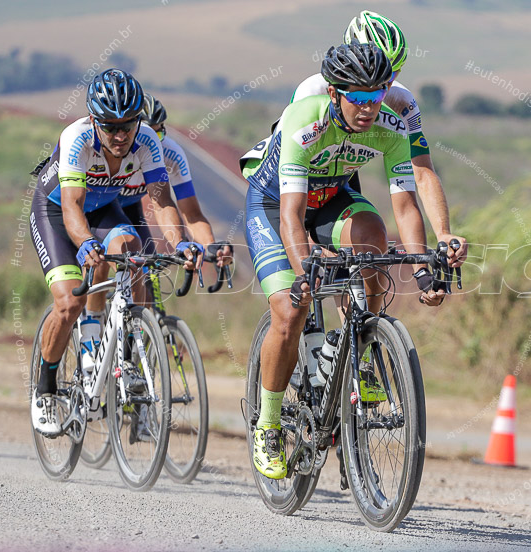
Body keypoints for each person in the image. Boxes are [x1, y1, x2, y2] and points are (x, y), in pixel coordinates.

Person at [245, 41, 448, 479]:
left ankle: (360, 341)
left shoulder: (389, 128)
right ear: (334, 92)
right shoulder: (305, 120)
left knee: (374, 236)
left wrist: (422, 268)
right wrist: (303, 273)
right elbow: (291, 217)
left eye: (375, 95)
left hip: (333, 198)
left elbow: (406, 206)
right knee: (291, 309)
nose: (367, 107)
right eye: (357, 97)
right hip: (275, 206)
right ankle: (268, 423)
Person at [29, 68, 201, 436]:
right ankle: (45, 387)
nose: (120, 136)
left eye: (128, 125)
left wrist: (180, 241)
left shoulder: (147, 141)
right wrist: (85, 242)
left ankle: (128, 341)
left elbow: (162, 200)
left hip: (103, 209)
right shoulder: (76, 138)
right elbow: (73, 207)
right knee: (68, 303)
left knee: (132, 249)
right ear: (94, 121)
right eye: (110, 127)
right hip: (58, 212)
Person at [242, 10, 467, 267]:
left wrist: (442, 233)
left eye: (393, 72)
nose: (382, 82)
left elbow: (422, 172)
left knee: (362, 258)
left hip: (337, 180)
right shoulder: (312, 91)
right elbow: (295, 163)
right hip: (295, 183)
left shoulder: (403, 104)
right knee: (302, 291)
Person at [118, 93, 232, 268]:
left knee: (147, 275)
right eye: (148, 134)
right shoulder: (115, 149)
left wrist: (210, 246)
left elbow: (192, 214)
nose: (155, 143)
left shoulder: (171, 154)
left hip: (131, 208)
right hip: (98, 209)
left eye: (159, 133)